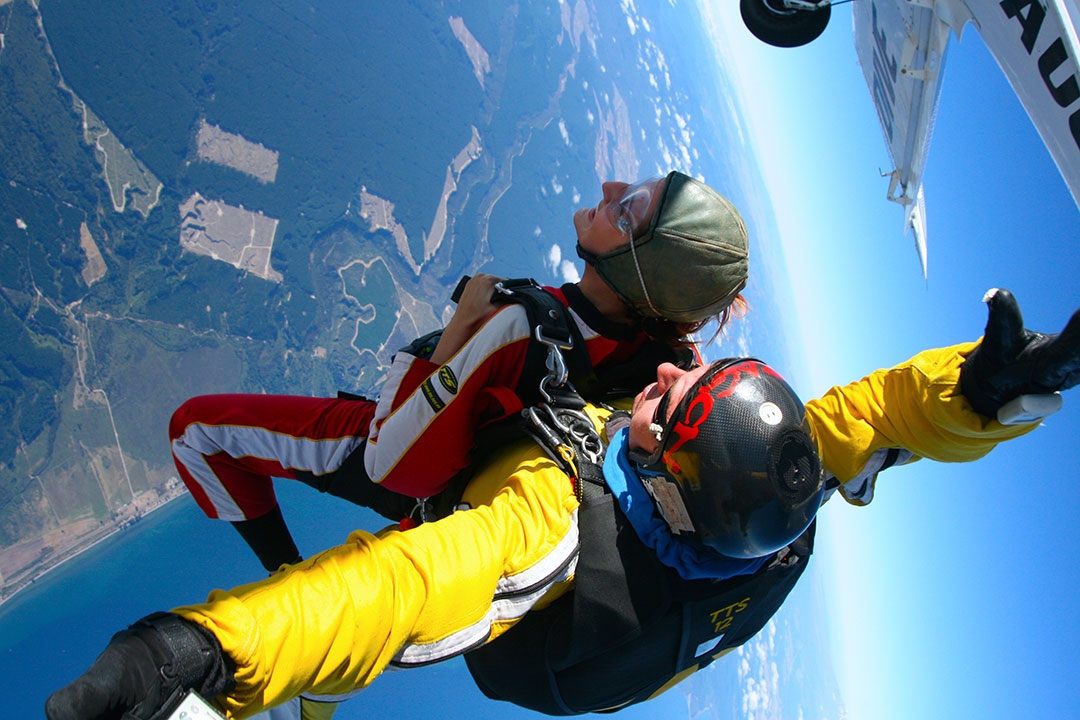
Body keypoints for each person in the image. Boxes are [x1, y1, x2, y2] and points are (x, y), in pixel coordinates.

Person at [45, 289, 1080, 720]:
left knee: (401, 554)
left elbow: (409, 590)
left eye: (665, 406)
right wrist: (980, 392)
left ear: (665, 480)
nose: (673, 375)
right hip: (639, 596)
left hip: (530, 595)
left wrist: (199, 651)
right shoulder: (771, 502)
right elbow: (872, 419)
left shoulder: (557, 520)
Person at [170, 171, 753, 572]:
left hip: (411, 457)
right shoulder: (675, 368)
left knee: (195, 432)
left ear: (637, 268)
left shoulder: (518, 327)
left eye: (628, 209)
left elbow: (386, 460)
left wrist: (465, 320)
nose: (611, 188)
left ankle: (284, 579)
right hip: (478, 504)